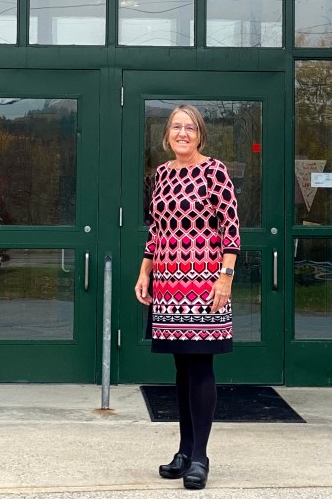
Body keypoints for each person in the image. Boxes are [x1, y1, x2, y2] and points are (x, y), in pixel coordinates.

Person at [134, 104, 239, 491]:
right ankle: (183, 451)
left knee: (200, 367)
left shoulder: (215, 172)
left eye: (189, 127)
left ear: (200, 134)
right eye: (176, 127)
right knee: (180, 369)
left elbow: (231, 231)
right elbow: (156, 231)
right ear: (167, 134)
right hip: (168, 285)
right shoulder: (161, 174)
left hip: (205, 284)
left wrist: (224, 278)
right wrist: (144, 272)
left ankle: (200, 457)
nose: (182, 133)